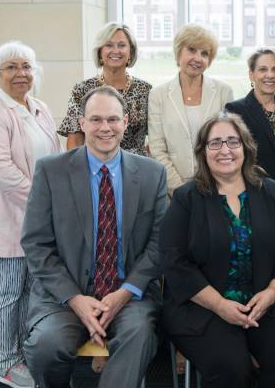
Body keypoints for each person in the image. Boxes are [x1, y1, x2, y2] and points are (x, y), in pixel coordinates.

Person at [21, 86, 168, 388]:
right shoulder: (51, 171)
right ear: (82, 122)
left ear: (126, 123)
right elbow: (36, 245)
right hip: (65, 296)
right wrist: (76, 299)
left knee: (138, 334)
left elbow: (159, 245)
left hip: (130, 295)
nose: (105, 128)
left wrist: (124, 293)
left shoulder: (152, 174)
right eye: (96, 119)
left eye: (113, 119)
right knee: (47, 345)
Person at [160, 112, 275, 388]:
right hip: (205, 307)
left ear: (246, 147)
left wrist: (272, 293)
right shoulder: (186, 198)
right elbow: (174, 260)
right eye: (215, 143)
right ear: (203, 152)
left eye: (232, 141)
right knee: (231, 367)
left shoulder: (271, 191)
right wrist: (219, 305)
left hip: (268, 303)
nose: (224, 150)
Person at [0, 41, 60, 388]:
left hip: (37, 217)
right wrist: (43, 206)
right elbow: (4, 172)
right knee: (6, 293)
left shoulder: (40, 108)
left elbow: (52, 159)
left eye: (26, 66)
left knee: (30, 291)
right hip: (6, 216)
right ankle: (6, 362)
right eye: (10, 67)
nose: (20, 73)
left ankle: (23, 354)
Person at [225, 48, 275, 226]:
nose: (270, 75)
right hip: (253, 204)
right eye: (262, 69)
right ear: (251, 75)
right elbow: (232, 164)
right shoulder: (235, 110)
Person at [149, 24, 234, 196]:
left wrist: (215, 185)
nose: (198, 58)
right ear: (179, 52)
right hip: (173, 192)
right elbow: (157, 148)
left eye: (204, 53)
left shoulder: (224, 92)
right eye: (192, 50)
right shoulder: (158, 95)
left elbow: (229, 144)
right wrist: (181, 191)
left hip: (216, 187)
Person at [58, 22, 151, 155]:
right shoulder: (82, 90)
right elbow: (75, 141)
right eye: (108, 45)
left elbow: (157, 140)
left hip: (136, 168)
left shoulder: (146, 91)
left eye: (121, 45)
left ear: (131, 52)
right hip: (95, 167)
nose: (115, 51)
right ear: (100, 51)